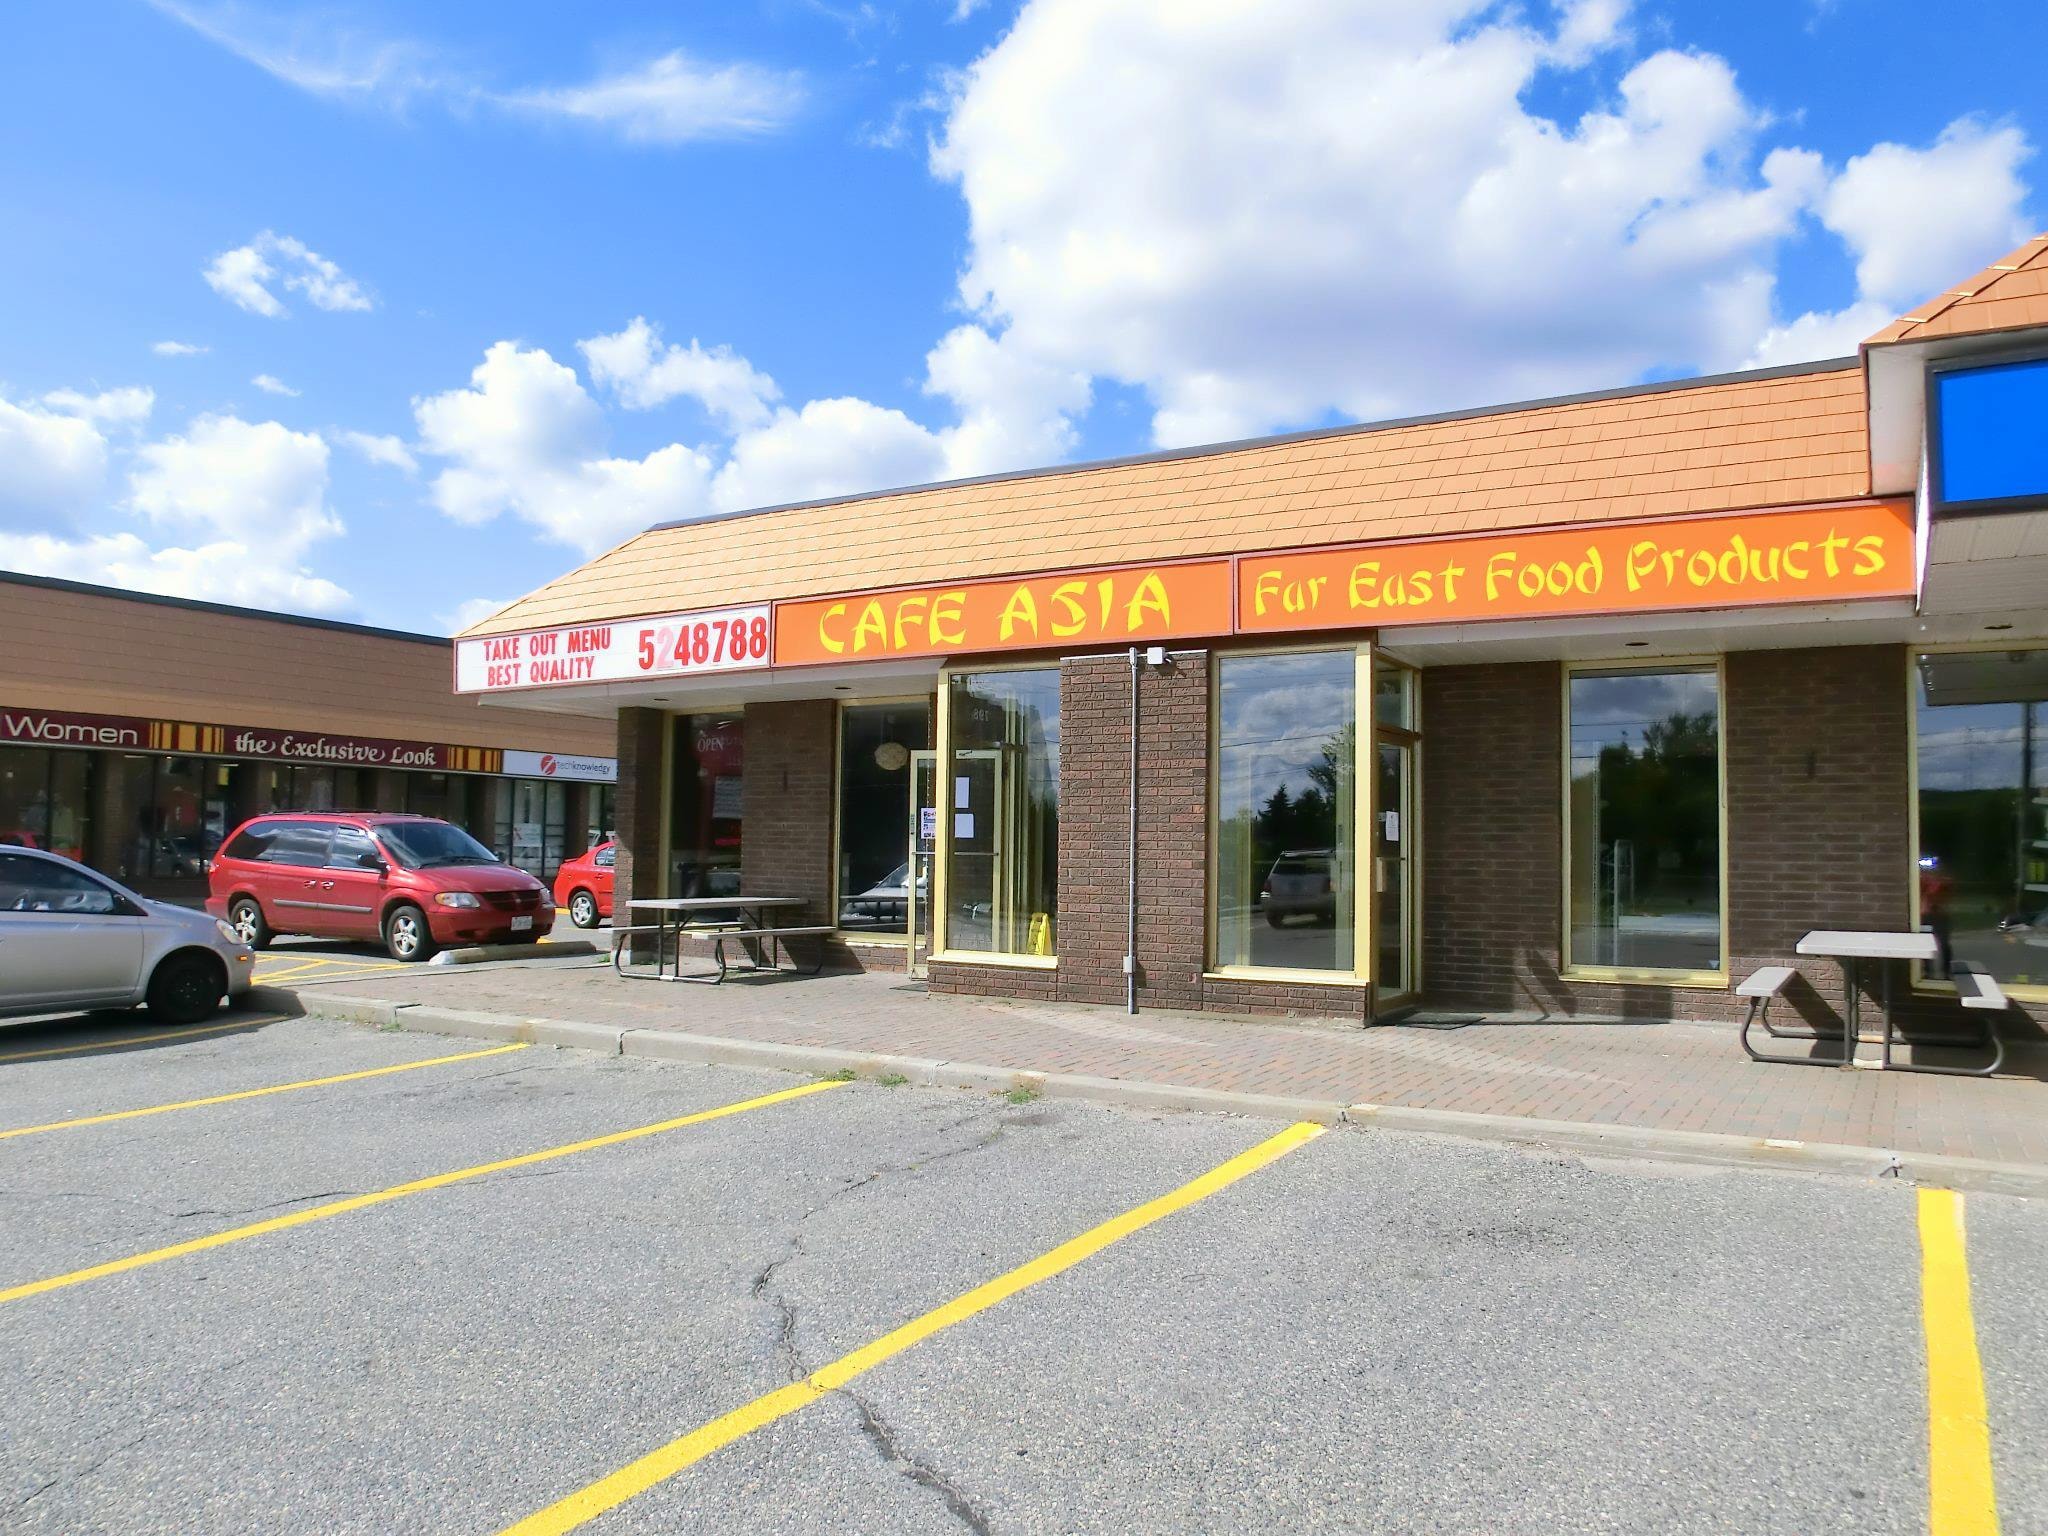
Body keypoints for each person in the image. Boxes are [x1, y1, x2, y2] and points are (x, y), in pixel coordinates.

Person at [1918, 855, 1954, 979]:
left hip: (1940, 915)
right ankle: (1927, 970)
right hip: (1925, 914)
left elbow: (1946, 889)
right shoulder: (1920, 880)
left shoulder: (1942, 881)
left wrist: (1936, 879)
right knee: (1924, 943)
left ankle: (1946, 971)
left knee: (1944, 943)